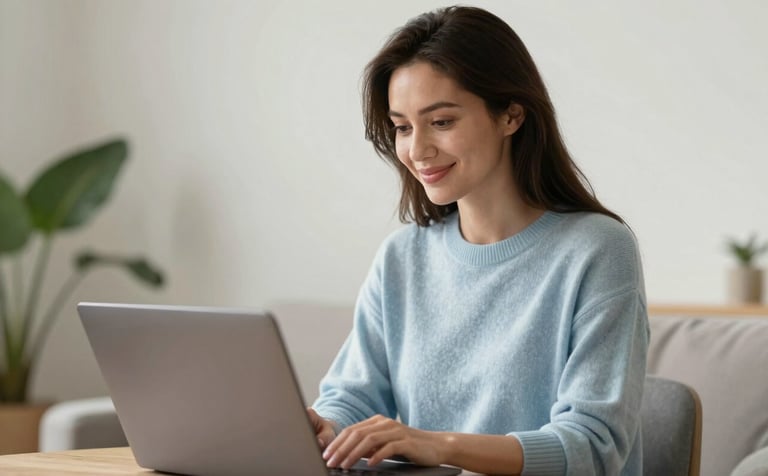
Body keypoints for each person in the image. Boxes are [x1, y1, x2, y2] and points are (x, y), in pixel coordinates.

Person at [308, 6, 648, 476]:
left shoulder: (598, 250)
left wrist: (439, 445)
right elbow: (352, 397)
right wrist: (324, 427)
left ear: (510, 115)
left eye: (442, 121)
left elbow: (591, 446)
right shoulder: (402, 258)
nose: (417, 149)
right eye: (403, 127)